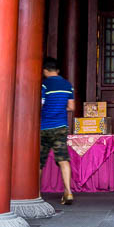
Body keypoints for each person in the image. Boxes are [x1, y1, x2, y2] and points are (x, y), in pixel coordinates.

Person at [39, 56, 76, 205]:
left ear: (45, 70)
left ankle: (36, 192)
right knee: (63, 159)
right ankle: (68, 192)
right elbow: (72, 108)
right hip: (61, 126)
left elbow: (40, 105)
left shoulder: (44, 85)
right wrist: (61, 108)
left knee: (39, 161)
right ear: (58, 70)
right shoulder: (68, 85)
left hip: (44, 127)